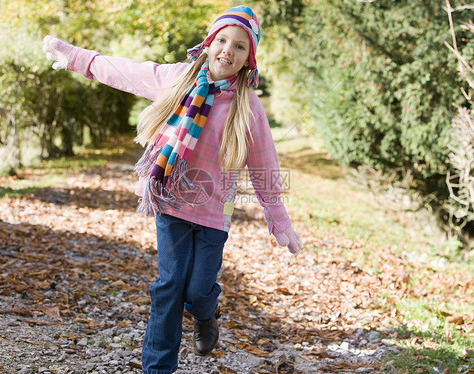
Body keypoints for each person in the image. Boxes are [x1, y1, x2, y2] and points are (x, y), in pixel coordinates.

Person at [43, 5, 302, 374]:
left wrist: (280, 222)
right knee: (168, 286)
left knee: (197, 291)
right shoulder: (179, 79)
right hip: (171, 202)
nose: (228, 51)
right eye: (223, 40)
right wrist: (77, 57)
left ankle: (206, 313)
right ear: (210, 42)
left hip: (214, 213)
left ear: (249, 59)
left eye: (240, 47)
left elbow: (265, 168)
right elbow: (126, 72)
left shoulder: (248, 108)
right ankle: (158, 368)